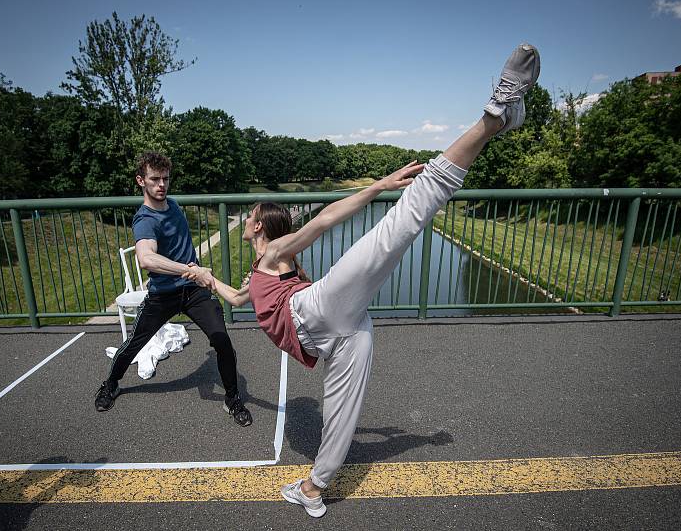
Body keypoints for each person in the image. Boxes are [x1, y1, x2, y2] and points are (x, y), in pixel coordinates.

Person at [184, 44, 540, 516]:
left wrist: (377, 186)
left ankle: (495, 116)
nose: (249, 218)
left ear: (254, 228)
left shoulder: (274, 252)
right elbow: (237, 296)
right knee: (341, 415)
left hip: (318, 310)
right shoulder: (259, 272)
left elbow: (325, 220)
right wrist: (206, 278)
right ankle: (314, 488)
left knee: (403, 220)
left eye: (250, 216)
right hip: (341, 333)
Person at [94, 151, 253, 427]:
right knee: (134, 344)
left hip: (193, 292)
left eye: (165, 179)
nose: (161, 185)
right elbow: (146, 258)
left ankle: (232, 398)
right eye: (154, 179)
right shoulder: (145, 220)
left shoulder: (175, 205)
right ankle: (110, 384)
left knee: (222, 341)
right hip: (163, 294)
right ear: (140, 180)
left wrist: (192, 274)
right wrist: (190, 269)